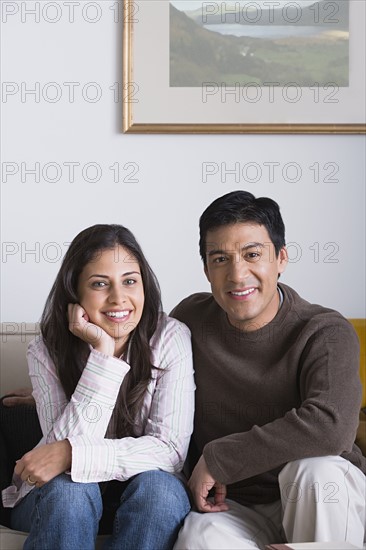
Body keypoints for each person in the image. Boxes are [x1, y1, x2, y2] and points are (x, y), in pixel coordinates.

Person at [171, 191, 366, 549]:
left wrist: (218, 458)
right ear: (206, 270)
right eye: (220, 259)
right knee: (199, 539)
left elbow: (332, 427)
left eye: (252, 255)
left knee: (312, 471)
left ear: (281, 258)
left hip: (321, 501)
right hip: (234, 504)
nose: (237, 274)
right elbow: (143, 376)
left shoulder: (325, 331)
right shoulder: (189, 320)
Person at [2, 224, 195, 550]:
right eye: (100, 284)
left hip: (142, 492)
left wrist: (73, 454)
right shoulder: (45, 350)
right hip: (55, 498)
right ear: (74, 293)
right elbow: (55, 461)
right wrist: (103, 353)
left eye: (130, 281)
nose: (119, 298)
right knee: (70, 491)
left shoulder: (170, 336)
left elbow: (170, 451)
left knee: (160, 491)